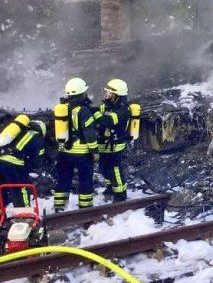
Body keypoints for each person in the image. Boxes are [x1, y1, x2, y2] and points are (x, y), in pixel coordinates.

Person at [53, 77, 100, 211]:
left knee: (63, 178)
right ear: (82, 93)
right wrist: (95, 151)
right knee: (85, 179)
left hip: (64, 151)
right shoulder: (84, 111)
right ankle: (85, 208)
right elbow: (89, 133)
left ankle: (59, 205)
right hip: (82, 153)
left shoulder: (63, 108)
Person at [96, 78, 140, 203]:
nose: (108, 95)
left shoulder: (123, 111)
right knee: (104, 169)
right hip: (105, 145)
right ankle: (110, 188)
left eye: (111, 94)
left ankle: (120, 194)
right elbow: (98, 111)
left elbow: (108, 121)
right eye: (108, 93)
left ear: (118, 96)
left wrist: (96, 116)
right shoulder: (107, 107)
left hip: (115, 145)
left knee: (115, 170)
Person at [0, 115, 46, 206]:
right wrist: (31, 169)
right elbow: (38, 159)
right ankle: (24, 212)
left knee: (2, 188)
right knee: (21, 188)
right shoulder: (37, 136)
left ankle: (2, 211)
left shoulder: (19, 132)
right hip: (14, 164)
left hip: (1, 160)